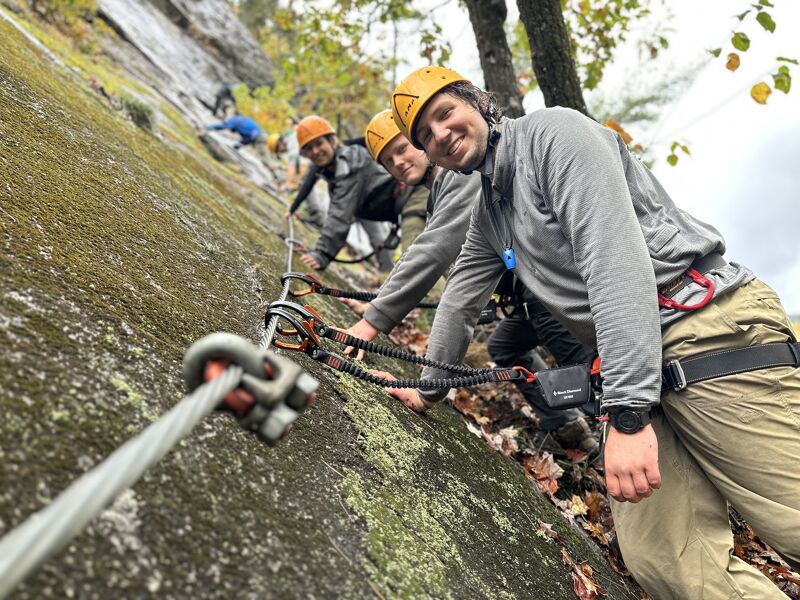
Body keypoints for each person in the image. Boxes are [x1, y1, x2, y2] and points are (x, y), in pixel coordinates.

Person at [374, 66, 799, 598]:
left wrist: (625, 413)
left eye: (444, 114)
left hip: (706, 327)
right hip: (641, 363)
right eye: (423, 137)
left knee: (793, 521)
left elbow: (613, 260)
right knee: (667, 559)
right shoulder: (491, 210)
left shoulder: (554, 134)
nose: (439, 136)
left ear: (478, 101)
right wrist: (430, 386)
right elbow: (460, 297)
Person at [347, 109, 599, 453]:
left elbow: (432, 249)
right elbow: (454, 276)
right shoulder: (443, 190)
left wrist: (373, 319)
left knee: (599, 379)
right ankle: (568, 426)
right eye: (389, 161)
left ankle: (625, 439)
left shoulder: (460, 178)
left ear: (423, 142)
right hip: (530, 295)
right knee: (505, 347)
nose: (399, 162)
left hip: (552, 294)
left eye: (402, 148)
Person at [294, 115, 419, 272]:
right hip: (388, 206)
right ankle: (388, 274)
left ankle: (402, 284)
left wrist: (322, 254)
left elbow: (340, 214)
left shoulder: (350, 160)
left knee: (417, 260)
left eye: (319, 143)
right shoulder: (330, 171)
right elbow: (338, 213)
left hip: (413, 197)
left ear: (331, 141)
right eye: (308, 149)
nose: (315, 151)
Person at [206, 114, 275, 175]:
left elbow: (223, 127)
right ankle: (272, 169)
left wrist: (210, 127)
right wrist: (240, 144)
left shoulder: (232, 121)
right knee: (267, 155)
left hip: (259, 137)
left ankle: (272, 169)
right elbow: (248, 136)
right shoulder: (240, 119)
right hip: (263, 134)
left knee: (265, 158)